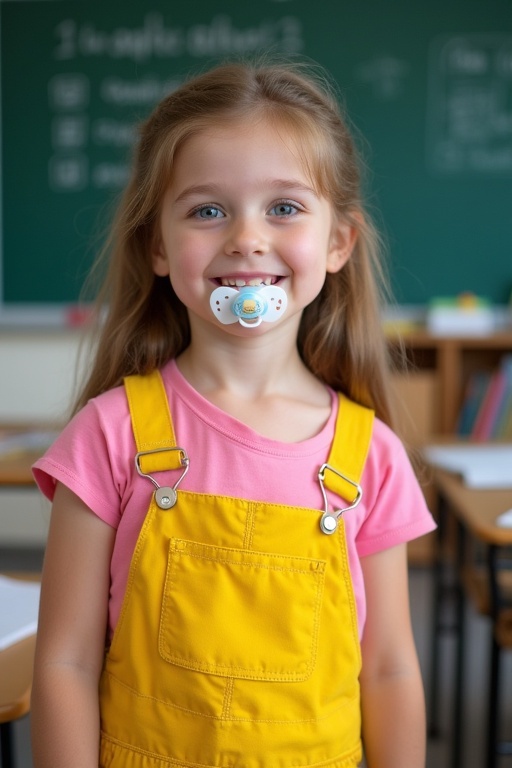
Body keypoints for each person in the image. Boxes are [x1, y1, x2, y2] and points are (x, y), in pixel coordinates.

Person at [31, 58, 435, 768]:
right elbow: (64, 663)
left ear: (337, 242)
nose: (246, 238)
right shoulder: (108, 432)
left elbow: (392, 669)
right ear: (158, 246)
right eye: (207, 210)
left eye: (284, 207)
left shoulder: (371, 456)